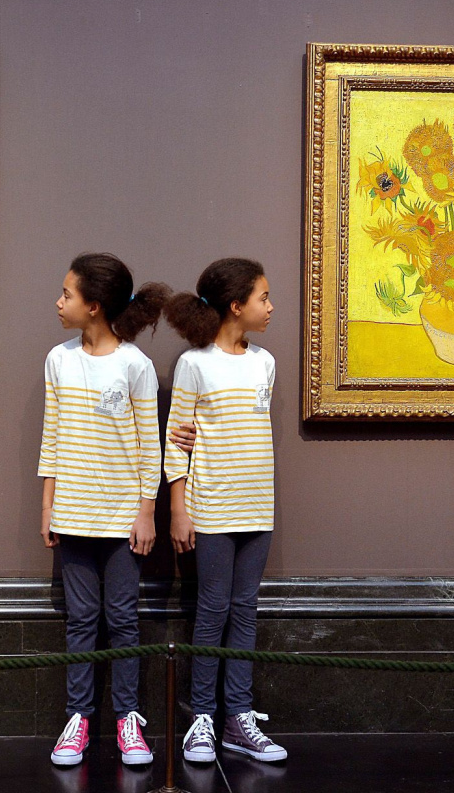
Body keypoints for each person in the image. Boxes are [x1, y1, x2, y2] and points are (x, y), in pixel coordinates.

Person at [38, 253, 170, 766]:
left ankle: (127, 720)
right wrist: (48, 506)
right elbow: (52, 438)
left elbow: (150, 447)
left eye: (66, 294)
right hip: (72, 515)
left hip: (122, 520)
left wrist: (146, 512)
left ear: (93, 306)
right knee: (81, 621)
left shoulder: (134, 364)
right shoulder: (58, 359)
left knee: (122, 620)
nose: (58, 302)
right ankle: (78, 719)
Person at [163, 257, 286, 764]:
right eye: (263, 297)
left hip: (258, 507)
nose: (270, 306)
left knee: (245, 610)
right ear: (236, 305)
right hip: (212, 507)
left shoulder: (265, 362)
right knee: (212, 610)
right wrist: (179, 509)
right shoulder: (195, 364)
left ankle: (238, 717)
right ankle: (202, 719)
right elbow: (177, 442)